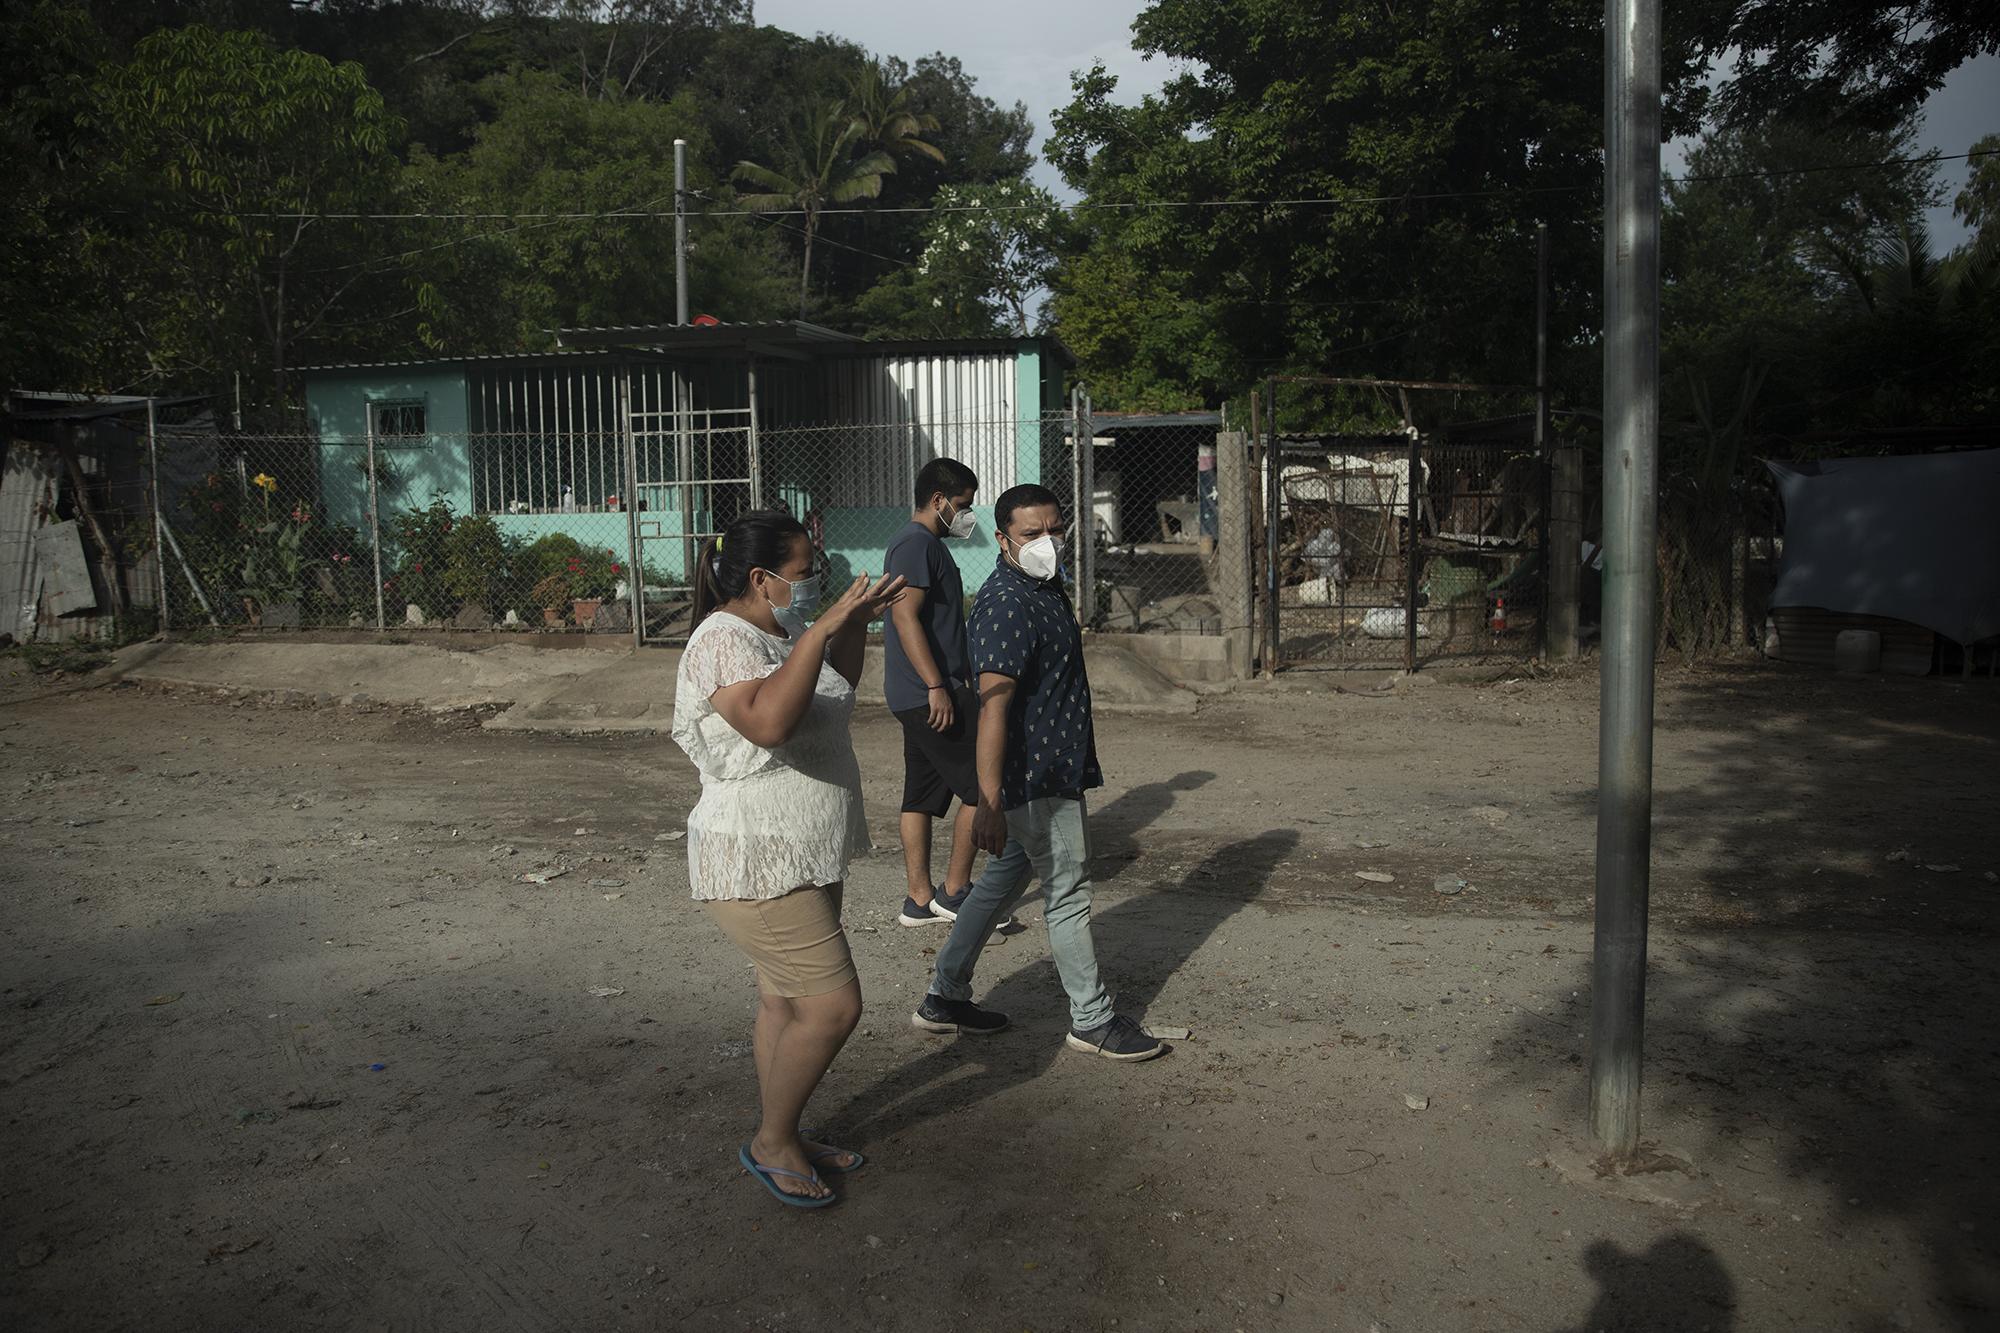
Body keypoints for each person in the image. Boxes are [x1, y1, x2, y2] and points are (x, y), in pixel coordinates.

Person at [671, 509, 906, 1206]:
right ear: (759, 577)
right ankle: (772, 1140)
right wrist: (828, 625)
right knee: (832, 1006)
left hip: (801, 848)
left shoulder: (782, 630)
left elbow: (834, 690)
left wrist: (854, 622)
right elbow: (771, 722)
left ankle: (784, 1128)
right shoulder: (721, 640)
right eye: (805, 571)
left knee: (784, 1001)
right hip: (756, 857)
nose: (816, 580)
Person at [910, 484, 1164, 1062]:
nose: (1048, 542)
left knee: (1000, 883)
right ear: (1002, 540)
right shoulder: (1007, 604)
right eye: (1032, 534)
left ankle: (944, 996)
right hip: (1036, 778)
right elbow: (993, 708)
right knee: (1068, 892)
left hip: (1052, 770)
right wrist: (990, 800)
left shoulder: (1044, 586)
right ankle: (1092, 1019)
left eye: (1056, 530)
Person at [881, 457, 990, 927]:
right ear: (938, 501)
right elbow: (905, 616)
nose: (967, 515)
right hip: (929, 693)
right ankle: (955, 892)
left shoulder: (920, 544)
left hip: (919, 693)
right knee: (983, 785)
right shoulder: (915, 544)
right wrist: (937, 686)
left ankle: (919, 900)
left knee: (921, 796)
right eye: (962, 505)